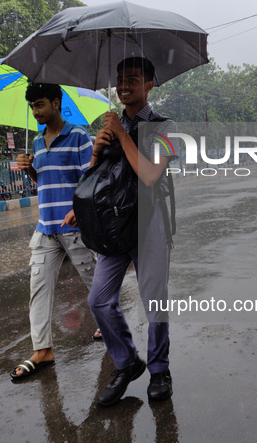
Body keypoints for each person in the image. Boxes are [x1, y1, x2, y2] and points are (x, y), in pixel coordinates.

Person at [87, 57, 178, 406]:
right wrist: (98, 149)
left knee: (153, 297)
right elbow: (99, 177)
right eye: (120, 79)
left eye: (134, 79)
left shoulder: (166, 127)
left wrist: (123, 135)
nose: (124, 86)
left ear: (150, 84)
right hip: (115, 222)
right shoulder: (110, 125)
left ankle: (159, 368)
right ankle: (127, 363)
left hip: (151, 220)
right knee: (98, 299)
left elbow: (152, 175)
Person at [10, 83, 97, 379]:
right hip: (45, 228)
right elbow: (43, 182)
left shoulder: (78, 136)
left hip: (74, 227)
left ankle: (111, 327)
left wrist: (79, 209)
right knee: (38, 289)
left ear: (56, 103)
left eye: (40, 104)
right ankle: (43, 349)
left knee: (96, 282)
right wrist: (29, 169)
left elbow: (91, 179)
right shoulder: (35, 142)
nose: (36, 111)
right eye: (32, 106)